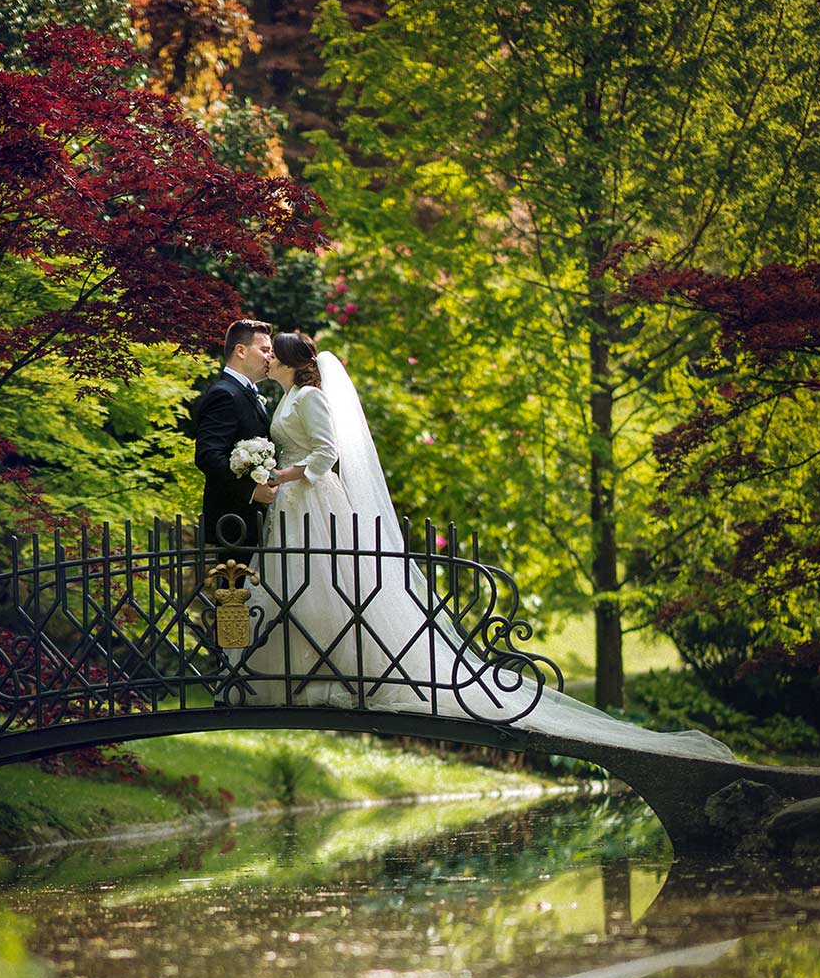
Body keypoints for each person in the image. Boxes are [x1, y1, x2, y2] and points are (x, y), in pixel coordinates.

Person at [244, 330, 737, 764]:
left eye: (272, 354)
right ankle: (300, 677)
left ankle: (346, 679)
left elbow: (326, 453)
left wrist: (285, 473)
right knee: (300, 588)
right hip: (291, 504)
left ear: (287, 360)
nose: (267, 359)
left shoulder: (310, 396)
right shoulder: (286, 396)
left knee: (330, 588)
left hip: (313, 498)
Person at [189, 319, 278, 553]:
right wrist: (251, 490)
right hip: (233, 523)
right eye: (265, 350)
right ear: (241, 350)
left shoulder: (247, 393)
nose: (270, 357)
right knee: (236, 589)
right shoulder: (224, 394)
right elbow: (208, 455)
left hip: (251, 521)